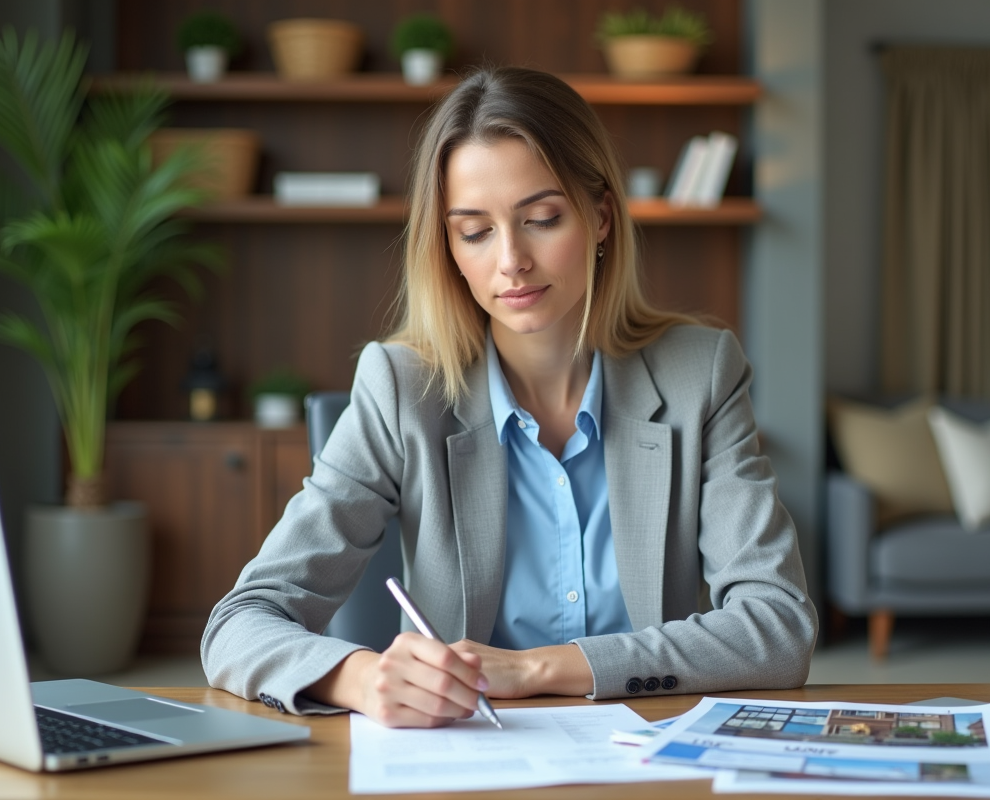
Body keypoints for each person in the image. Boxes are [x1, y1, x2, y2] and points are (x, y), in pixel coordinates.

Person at [202, 66, 817, 728]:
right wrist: (363, 677)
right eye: (475, 231)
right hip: (467, 755)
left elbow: (778, 626)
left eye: (542, 219)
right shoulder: (401, 388)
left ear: (601, 216)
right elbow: (239, 624)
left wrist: (537, 669)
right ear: (447, 246)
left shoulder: (700, 374)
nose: (511, 260)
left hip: (644, 751)